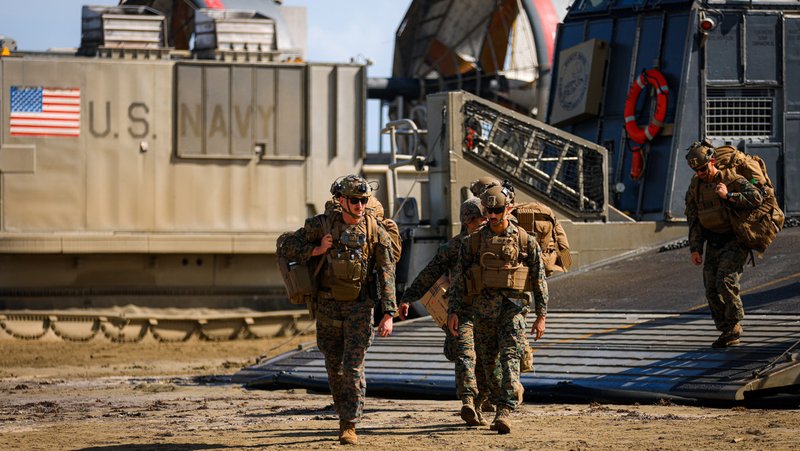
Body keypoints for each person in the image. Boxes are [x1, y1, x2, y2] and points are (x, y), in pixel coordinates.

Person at [279, 174, 397, 445]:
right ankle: (342, 412)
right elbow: (286, 245)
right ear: (341, 200)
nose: (359, 205)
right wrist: (316, 249)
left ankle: (349, 424)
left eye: (364, 200)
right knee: (334, 367)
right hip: (328, 307)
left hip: (360, 307)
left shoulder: (374, 230)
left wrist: (388, 313)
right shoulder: (321, 226)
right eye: (354, 200)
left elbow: (387, 273)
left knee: (353, 366)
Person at [447, 182, 548, 434]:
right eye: (488, 211)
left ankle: (505, 410)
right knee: (489, 363)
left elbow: (539, 281)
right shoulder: (472, 243)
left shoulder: (526, 241)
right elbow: (459, 280)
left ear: (509, 208)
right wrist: (454, 311)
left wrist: (541, 316)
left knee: (510, 358)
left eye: (498, 211)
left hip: (512, 311)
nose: (492, 216)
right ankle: (485, 401)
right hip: (483, 313)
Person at [398, 198, 489, 426]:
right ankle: (468, 401)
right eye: (480, 218)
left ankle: (479, 403)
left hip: (491, 314)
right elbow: (429, 274)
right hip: (461, 311)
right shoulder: (454, 247)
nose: (484, 222)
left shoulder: (494, 243)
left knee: (488, 362)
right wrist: (408, 297)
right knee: (466, 356)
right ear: (468, 221)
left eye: (486, 218)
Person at [684, 141, 763, 348]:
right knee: (710, 289)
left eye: (702, 168)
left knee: (725, 281)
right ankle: (726, 330)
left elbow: (756, 197)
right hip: (713, 241)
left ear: (712, 162)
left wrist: (728, 196)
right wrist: (695, 248)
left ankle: (735, 324)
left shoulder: (729, 178)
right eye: (696, 170)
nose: (700, 173)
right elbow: (694, 218)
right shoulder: (696, 186)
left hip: (734, 239)